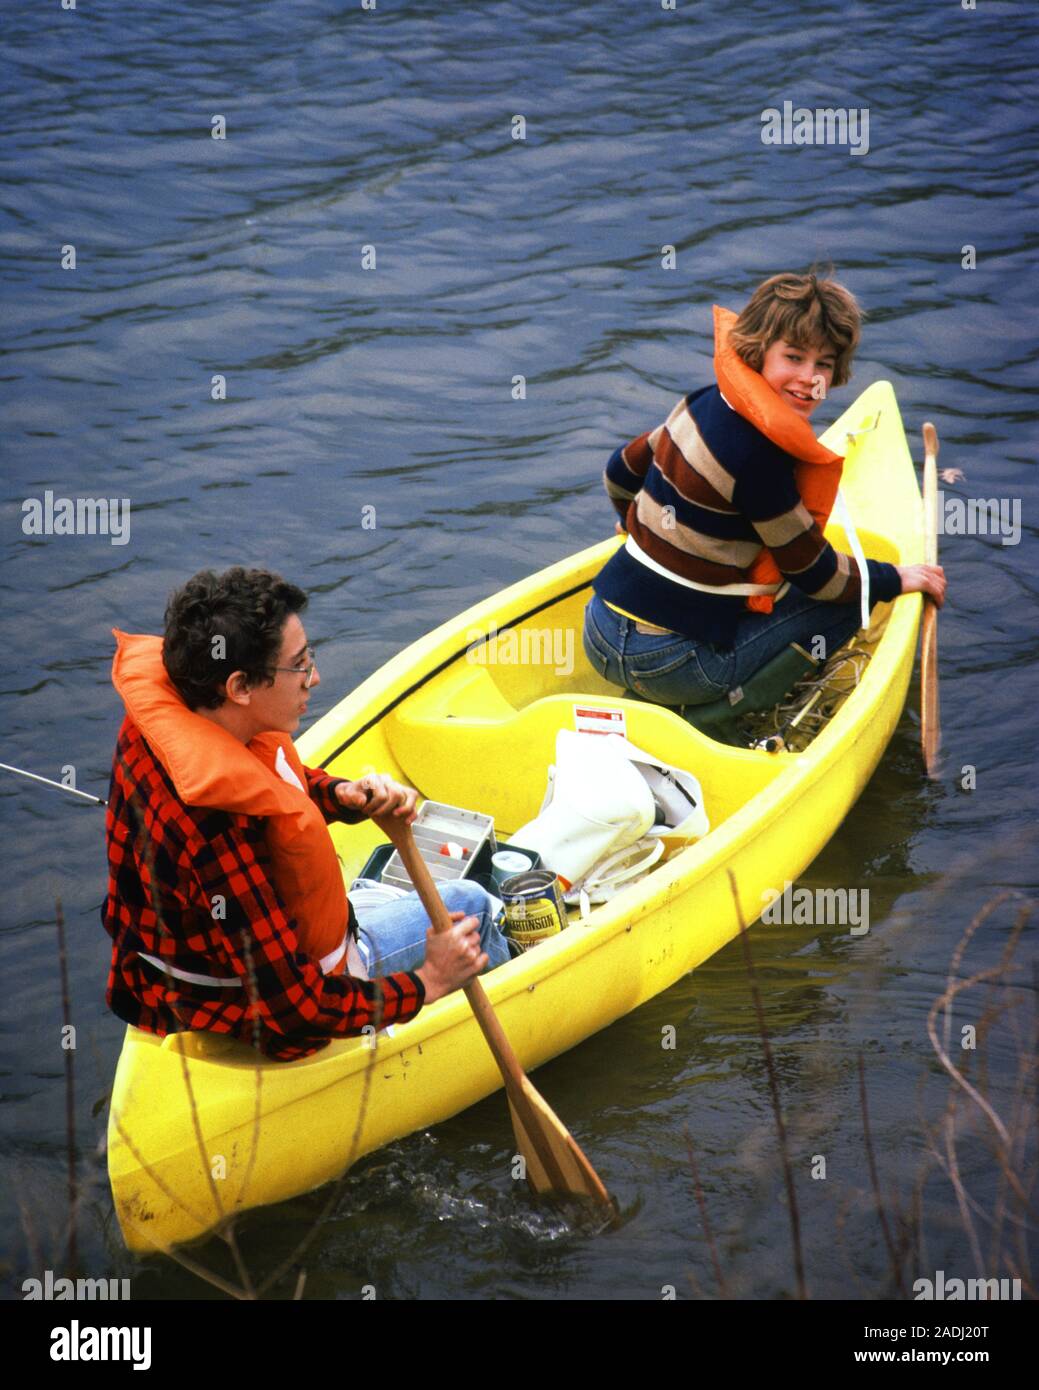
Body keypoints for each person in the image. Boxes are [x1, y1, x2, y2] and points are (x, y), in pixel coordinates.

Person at [102, 567, 510, 1062]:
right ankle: (506, 1024)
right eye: (299, 665)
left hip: (162, 986)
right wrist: (429, 981)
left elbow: (270, 786)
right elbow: (298, 1008)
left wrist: (345, 796)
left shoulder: (159, 727)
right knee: (474, 908)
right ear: (240, 686)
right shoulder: (213, 831)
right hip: (258, 1017)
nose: (314, 677)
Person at [582, 272, 947, 712]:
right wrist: (894, 578)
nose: (810, 379)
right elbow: (817, 577)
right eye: (793, 358)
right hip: (674, 668)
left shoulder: (703, 401)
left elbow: (617, 472)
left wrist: (633, 524)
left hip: (598, 630)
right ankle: (726, 716)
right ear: (758, 352)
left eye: (824, 365)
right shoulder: (760, 457)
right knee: (853, 601)